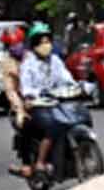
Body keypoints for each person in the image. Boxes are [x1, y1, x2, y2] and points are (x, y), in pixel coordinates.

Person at [17, 23, 76, 180]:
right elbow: (26, 87)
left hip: (57, 102)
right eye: (41, 42)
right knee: (52, 126)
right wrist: (35, 94)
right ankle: (40, 162)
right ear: (34, 45)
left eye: (47, 41)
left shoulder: (55, 61)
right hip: (38, 106)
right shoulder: (28, 64)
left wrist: (76, 85)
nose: (45, 45)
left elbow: (65, 76)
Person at [0, 24, 34, 177]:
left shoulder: (31, 57)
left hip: (38, 99)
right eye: (12, 44)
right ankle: (27, 164)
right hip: (20, 105)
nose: (16, 46)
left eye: (18, 43)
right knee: (26, 125)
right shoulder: (7, 63)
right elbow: (11, 90)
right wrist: (20, 109)